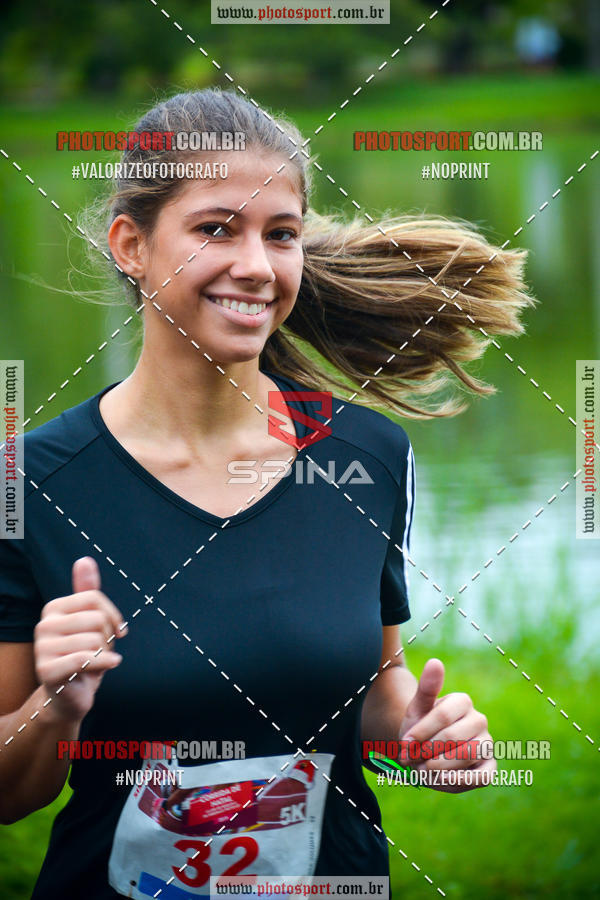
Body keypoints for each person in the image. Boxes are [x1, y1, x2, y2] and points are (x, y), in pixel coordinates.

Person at [0, 88, 535, 897]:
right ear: (131, 245)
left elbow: (376, 691)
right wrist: (57, 705)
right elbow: (10, 795)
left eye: (280, 234)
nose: (255, 265)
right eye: (217, 229)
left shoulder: (365, 456)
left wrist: (422, 736)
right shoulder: (32, 484)